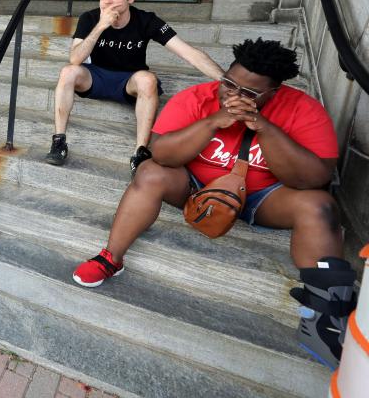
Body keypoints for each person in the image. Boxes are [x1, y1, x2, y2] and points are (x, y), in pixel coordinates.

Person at [71, 38, 358, 368]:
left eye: (249, 92)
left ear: (274, 91)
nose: (233, 95)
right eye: (229, 83)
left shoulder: (303, 109)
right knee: (150, 173)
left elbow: (315, 177)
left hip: (264, 197)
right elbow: (161, 153)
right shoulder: (197, 98)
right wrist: (212, 122)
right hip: (196, 187)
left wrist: (263, 127)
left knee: (319, 205)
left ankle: (324, 314)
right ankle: (111, 257)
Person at [46, 0, 224, 175]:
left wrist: (227, 79)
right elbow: (75, 58)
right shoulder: (90, 18)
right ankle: (59, 141)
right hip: (97, 77)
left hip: (129, 81)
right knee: (68, 72)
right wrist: (101, 26)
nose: (108, 1)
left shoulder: (147, 20)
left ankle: (140, 152)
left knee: (148, 80)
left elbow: (188, 52)